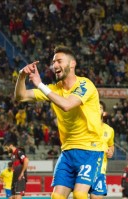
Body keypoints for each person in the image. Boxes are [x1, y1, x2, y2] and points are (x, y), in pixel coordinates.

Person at [14, 45, 104, 199]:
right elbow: (20, 96)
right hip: (67, 151)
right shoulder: (54, 89)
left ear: (72, 64)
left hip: (90, 149)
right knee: (56, 197)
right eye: (53, 62)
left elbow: (67, 105)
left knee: (80, 195)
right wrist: (22, 75)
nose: (54, 65)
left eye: (59, 61)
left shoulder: (85, 85)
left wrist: (40, 84)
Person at [90, 101, 115, 199]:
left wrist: (111, 151)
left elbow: (111, 145)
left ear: (104, 113)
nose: (97, 109)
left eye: (100, 107)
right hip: (83, 167)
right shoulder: (84, 125)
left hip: (100, 170)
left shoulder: (109, 130)